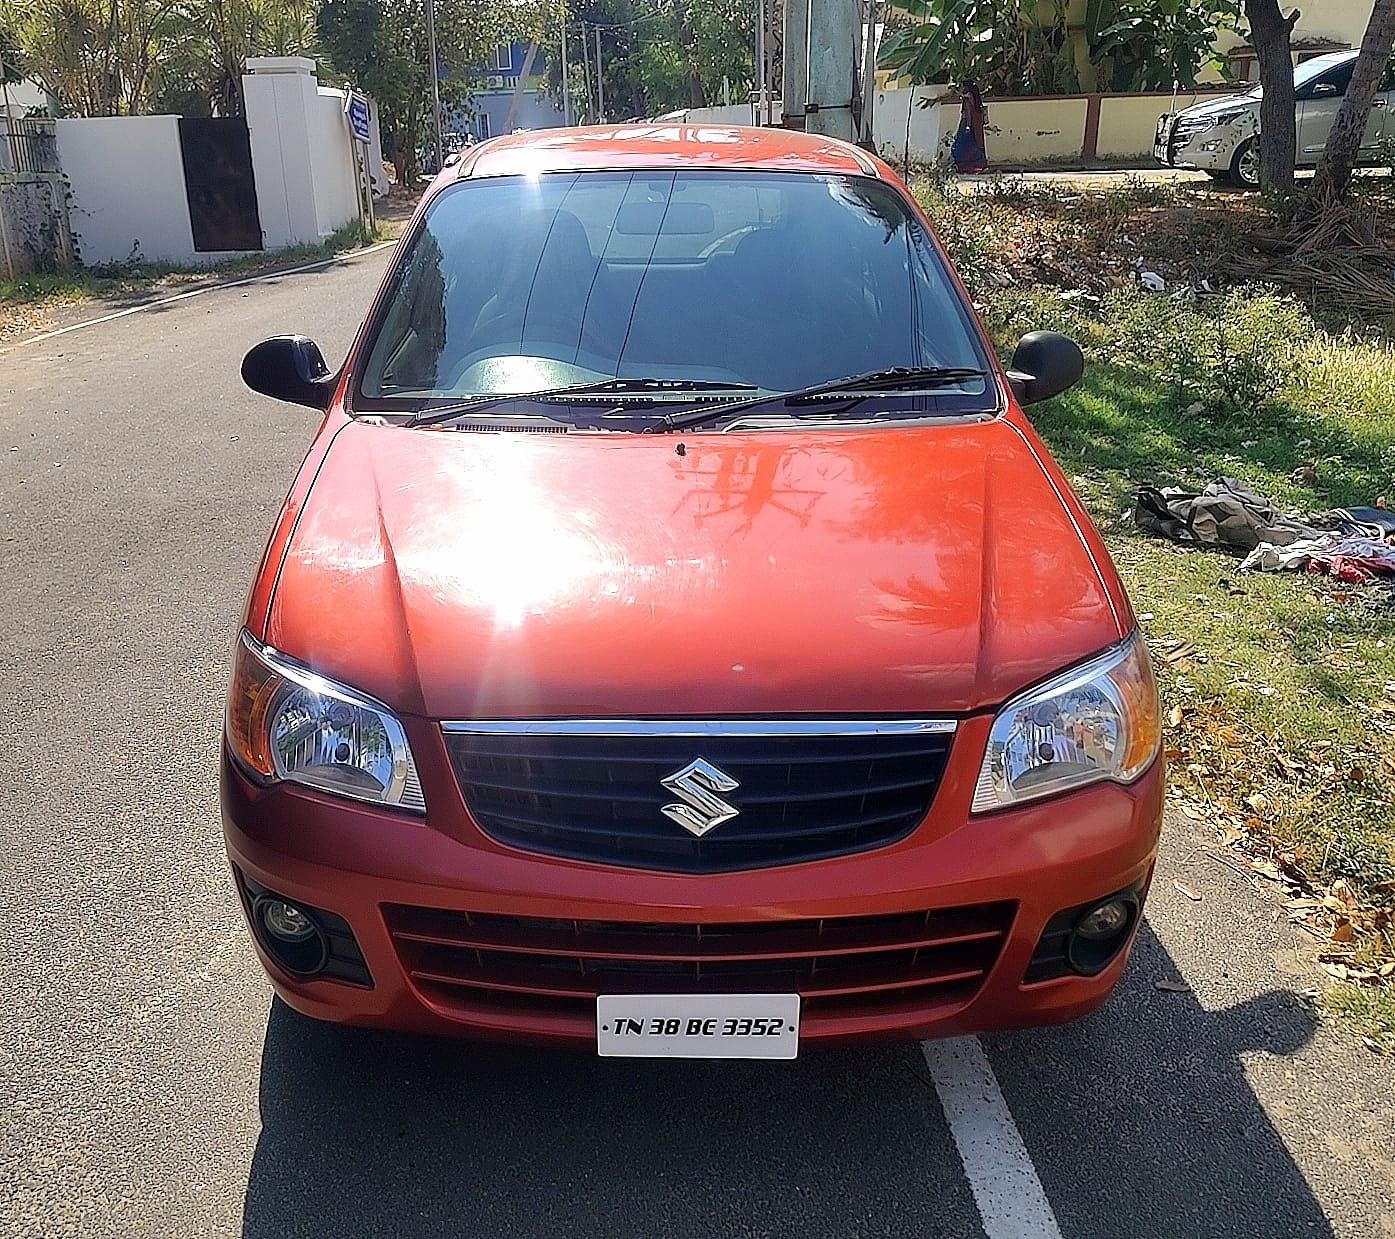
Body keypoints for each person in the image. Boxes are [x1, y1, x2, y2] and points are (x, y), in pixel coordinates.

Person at [950, 80, 987, 174]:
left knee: (961, 146)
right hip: (969, 123)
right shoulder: (973, 97)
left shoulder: (969, 97)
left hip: (968, 123)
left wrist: (967, 126)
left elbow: (969, 113)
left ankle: (968, 166)